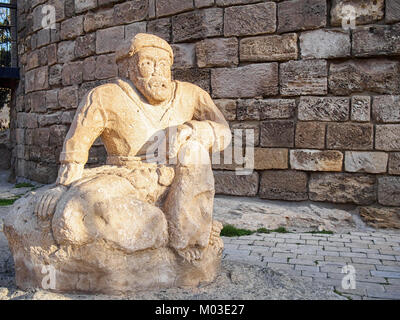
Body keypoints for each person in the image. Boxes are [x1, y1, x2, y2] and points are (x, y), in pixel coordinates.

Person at [34, 33, 231, 262]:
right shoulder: (105, 96)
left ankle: (189, 236)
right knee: (72, 214)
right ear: (127, 68)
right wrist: (62, 186)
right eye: (147, 64)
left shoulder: (191, 94)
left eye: (163, 65)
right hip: (127, 177)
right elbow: (78, 144)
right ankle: (158, 230)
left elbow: (223, 131)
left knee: (194, 152)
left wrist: (192, 130)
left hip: (179, 182)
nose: (158, 72)